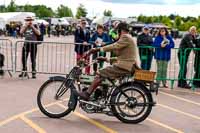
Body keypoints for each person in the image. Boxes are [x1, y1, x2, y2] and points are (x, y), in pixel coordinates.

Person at [78, 22, 139, 100]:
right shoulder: (129, 38)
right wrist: (106, 59)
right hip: (128, 65)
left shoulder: (125, 37)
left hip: (126, 66)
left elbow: (114, 46)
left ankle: (87, 94)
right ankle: (101, 94)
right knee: (106, 77)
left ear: (120, 30)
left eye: (118, 31)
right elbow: (123, 58)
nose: (117, 33)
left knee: (100, 73)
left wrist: (97, 49)